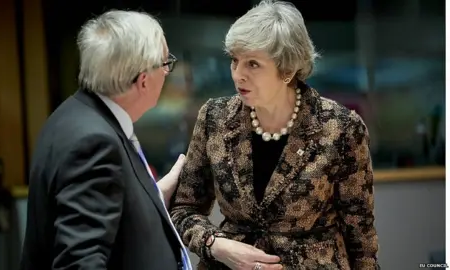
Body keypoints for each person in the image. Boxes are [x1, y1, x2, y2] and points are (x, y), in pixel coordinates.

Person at [170, 1, 380, 269]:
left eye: (253, 64)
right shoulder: (215, 117)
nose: (238, 75)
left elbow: (360, 234)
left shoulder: (340, 127)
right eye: (235, 60)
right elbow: (184, 209)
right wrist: (217, 244)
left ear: (287, 70)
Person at [20, 10, 192, 270]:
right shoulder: (94, 143)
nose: (167, 72)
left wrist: (154, 195)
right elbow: (80, 263)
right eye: (165, 63)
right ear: (143, 81)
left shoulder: (76, 113)